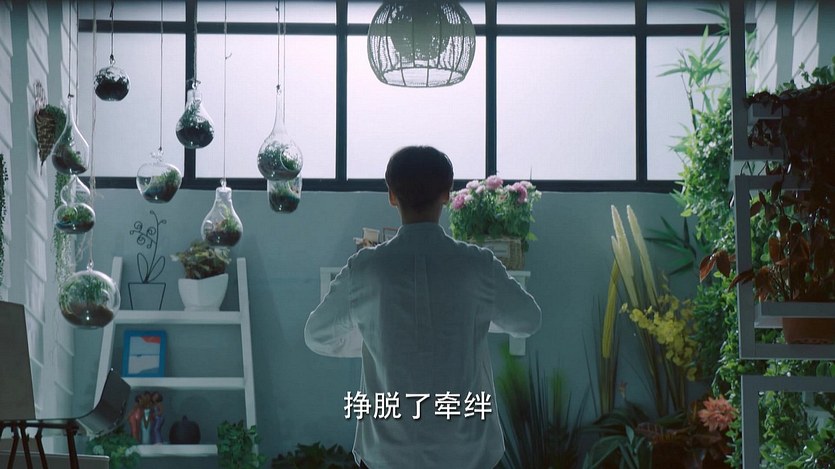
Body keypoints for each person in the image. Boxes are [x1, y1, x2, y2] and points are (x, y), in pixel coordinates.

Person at [304, 145, 541, 469]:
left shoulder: (367, 268)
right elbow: (528, 320)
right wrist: (472, 319)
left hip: (386, 455)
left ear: (391, 195)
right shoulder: (476, 265)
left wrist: (377, 336)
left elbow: (316, 334)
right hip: (469, 454)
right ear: (447, 194)